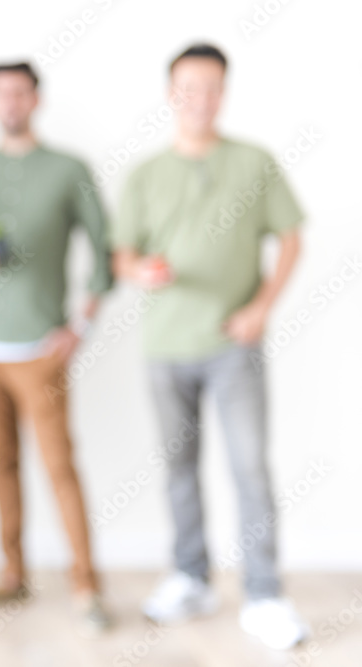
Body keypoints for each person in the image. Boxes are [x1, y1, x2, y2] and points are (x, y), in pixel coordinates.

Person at [111, 43, 309, 649]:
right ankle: (191, 577)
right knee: (178, 467)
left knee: (249, 467)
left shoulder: (255, 163)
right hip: (167, 346)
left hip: (233, 345)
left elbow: (292, 237)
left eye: (212, 87)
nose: (201, 98)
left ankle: (265, 594)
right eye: (189, 87)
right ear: (172, 93)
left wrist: (260, 308)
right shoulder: (145, 173)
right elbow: (122, 256)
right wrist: (141, 270)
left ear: (224, 93)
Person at [0, 62, 113, 635]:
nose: (10, 102)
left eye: (20, 92)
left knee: (60, 465)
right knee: (2, 463)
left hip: (42, 349)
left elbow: (106, 253)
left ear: (35, 98)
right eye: (1, 93)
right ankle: (13, 573)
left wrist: (79, 326)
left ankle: (86, 585)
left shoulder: (69, 169)